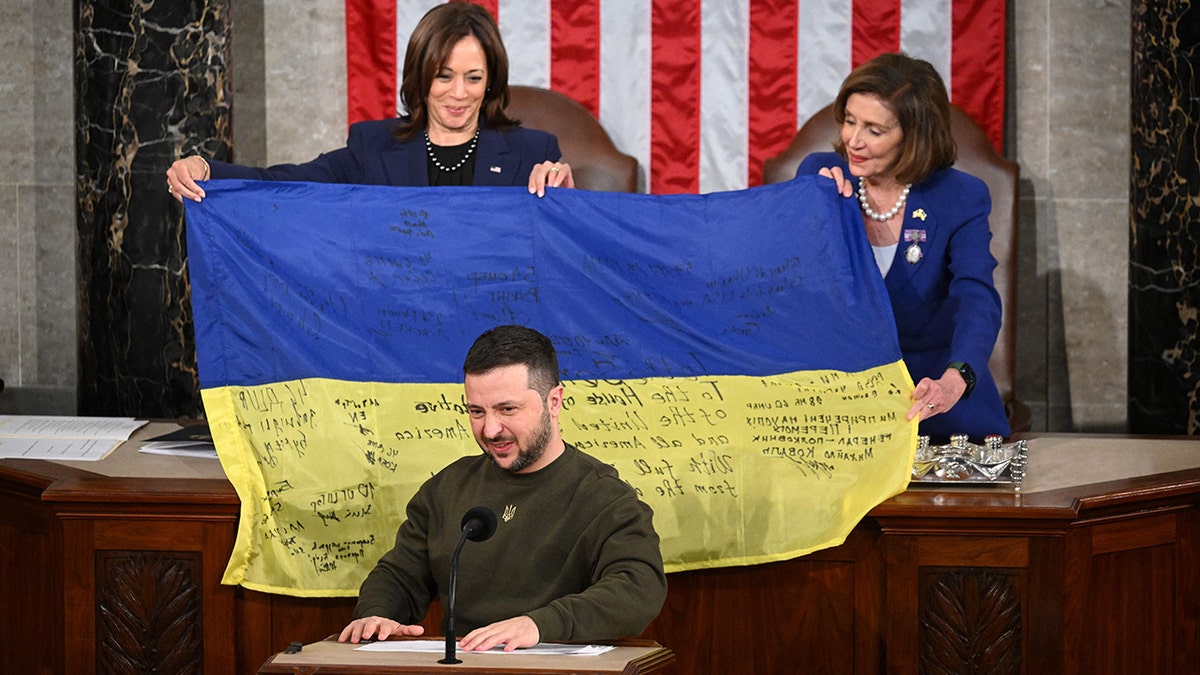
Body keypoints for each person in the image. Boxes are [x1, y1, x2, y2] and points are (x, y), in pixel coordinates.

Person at [338, 324, 667, 652]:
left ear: (554, 401)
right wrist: (377, 616)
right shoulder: (445, 489)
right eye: (476, 412)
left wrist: (539, 625)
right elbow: (399, 577)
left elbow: (637, 588)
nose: (490, 429)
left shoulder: (604, 498)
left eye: (507, 409)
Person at [795, 52, 1010, 441]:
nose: (853, 141)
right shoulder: (819, 176)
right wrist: (814, 208)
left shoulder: (958, 196)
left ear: (914, 136)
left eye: (875, 130)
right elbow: (792, 283)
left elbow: (976, 295)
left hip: (930, 401)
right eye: (849, 121)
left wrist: (955, 378)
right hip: (838, 407)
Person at [166, 2, 572, 202]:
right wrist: (207, 170)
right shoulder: (371, 147)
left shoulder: (535, 152)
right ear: (420, 76)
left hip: (498, 337)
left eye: (474, 78)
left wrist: (568, 200)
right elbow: (286, 182)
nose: (459, 93)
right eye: (443, 76)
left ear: (491, 82)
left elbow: (571, 253)